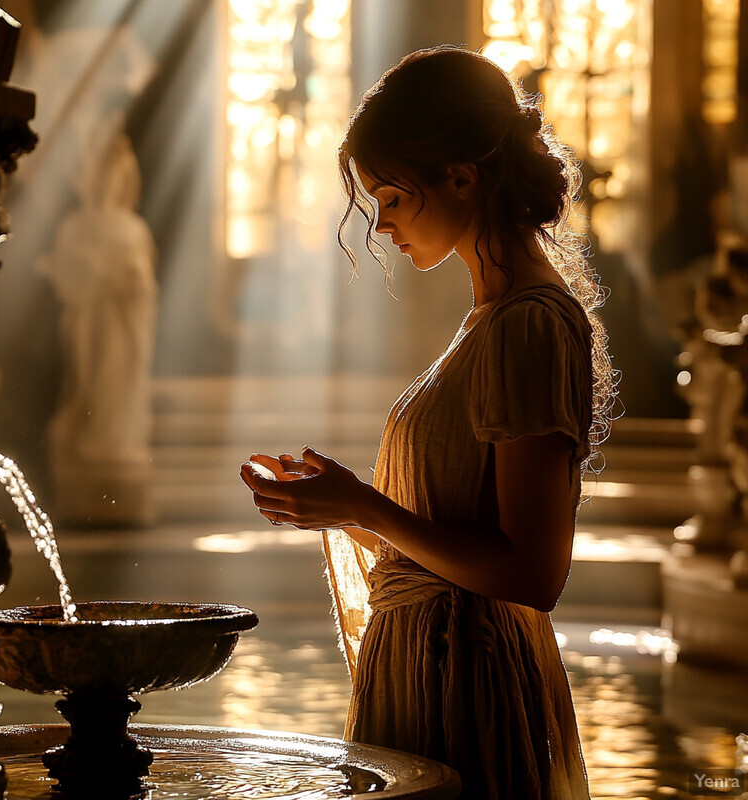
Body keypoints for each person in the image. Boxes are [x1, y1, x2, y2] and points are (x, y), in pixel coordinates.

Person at [240, 46, 615, 799]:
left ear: (462, 177)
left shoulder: (529, 327)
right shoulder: (488, 324)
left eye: (392, 197)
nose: (380, 225)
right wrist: (337, 509)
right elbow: (449, 541)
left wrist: (363, 505)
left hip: (468, 687)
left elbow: (532, 575)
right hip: (432, 668)